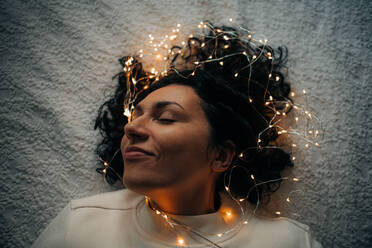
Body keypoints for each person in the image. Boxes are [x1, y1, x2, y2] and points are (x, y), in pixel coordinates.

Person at [32, 21, 322, 247]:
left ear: (220, 155)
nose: (131, 128)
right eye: (135, 116)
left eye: (166, 118)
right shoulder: (82, 224)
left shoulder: (287, 242)